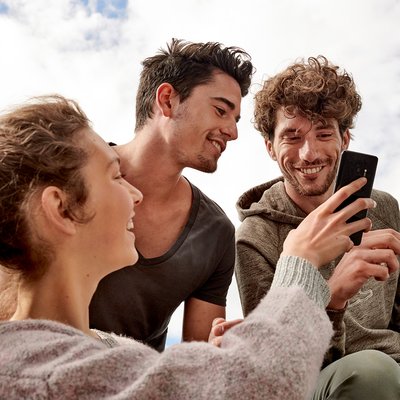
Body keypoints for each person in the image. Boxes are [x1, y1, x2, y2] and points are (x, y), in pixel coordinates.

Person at [0, 94, 378, 399]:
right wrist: (301, 262)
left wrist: (212, 361)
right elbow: (256, 385)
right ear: (61, 208)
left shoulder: (101, 350)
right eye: (115, 176)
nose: (135, 194)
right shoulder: (40, 374)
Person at [235, 55, 400, 398]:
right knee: (372, 373)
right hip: (321, 382)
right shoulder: (256, 237)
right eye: (291, 137)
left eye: (324, 133)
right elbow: (278, 368)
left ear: (345, 139)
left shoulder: (384, 208)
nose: (308, 153)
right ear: (270, 147)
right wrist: (333, 296)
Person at [89, 38, 255, 351]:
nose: (232, 132)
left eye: (235, 120)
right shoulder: (71, 173)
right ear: (167, 100)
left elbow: (196, 363)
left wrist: (216, 352)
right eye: (221, 110)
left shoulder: (215, 233)